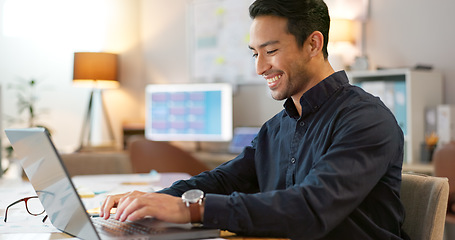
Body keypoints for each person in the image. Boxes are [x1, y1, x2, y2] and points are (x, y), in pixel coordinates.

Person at [100, 0, 409, 239]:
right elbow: (223, 180)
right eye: (254, 54)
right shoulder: (276, 128)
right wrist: (152, 200)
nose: (260, 68)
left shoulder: (366, 119)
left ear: (313, 44)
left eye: (270, 51)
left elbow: (310, 208)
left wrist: (191, 210)